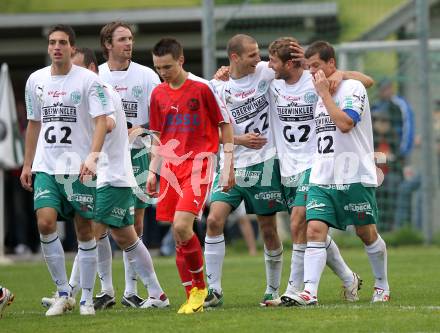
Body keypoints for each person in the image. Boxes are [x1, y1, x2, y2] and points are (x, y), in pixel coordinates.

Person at [41, 47, 169, 311]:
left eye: (76, 69)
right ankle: (155, 293)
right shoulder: (92, 93)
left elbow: (107, 123)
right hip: (109, 176)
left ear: (89, 69)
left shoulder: (101, 94)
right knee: (124, 237)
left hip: (113, 176)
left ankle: (68, 293)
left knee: (94, 232)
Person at [264, 37, 375, 306]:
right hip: (287, 164)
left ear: (290, 62)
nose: (269, 65)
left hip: (316, 162)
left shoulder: (316, 81)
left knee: (299, 222)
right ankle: (349, 278)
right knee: (313, 229)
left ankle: (295, 289)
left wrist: (338, 74)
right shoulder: (271, 83)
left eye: (274, 60)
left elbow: (366, 81)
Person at [290, 41, 390, 306]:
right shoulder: (316, 89)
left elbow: (345, 124)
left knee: (365, 232)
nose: (312, 73)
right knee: (314, 229)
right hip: (323, 175)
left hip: (354, 173)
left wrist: (328, 90)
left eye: (317, 66)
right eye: (308, 67)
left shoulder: (351, 88)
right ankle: (309, 292)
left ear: (332, 64)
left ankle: (381, 283)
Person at [21, 24, 110, 316]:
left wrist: (93, 157)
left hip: (78, 167)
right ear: (48, 47)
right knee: (45, 222)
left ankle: (85, 297)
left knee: (84, 230)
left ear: (72, 47)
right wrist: (27, 164)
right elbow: (34, 124)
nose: (57, 47)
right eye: (52, 42)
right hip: (47, 166)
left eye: (62, 42)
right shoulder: (35, 80)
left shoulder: (88, 80)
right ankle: (62, 293)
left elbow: (101, 121)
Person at [147, 37, 235, 314]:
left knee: (183, 226)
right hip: (171, 169)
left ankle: (199, 288)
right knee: (177, 233)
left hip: (199, 165)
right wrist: (153, 171)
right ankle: (191, 295)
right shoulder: (158, 94)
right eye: (159, 68)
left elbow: (225, 126)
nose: (163, 73)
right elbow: (159, 137)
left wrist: (229, 165)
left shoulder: (203, 88)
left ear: (181, 60)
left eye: (168, 67)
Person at [204, 34, 286, 309]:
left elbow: (295, 71)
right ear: (235, 57)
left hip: (265, 161)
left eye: (259, 52)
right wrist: (240, 140)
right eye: (252, 54)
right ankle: (213, 289)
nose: (258, 57)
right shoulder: (216, 86)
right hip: (232, 164)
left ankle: (272, 289)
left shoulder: (265, 72)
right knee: (214, 219)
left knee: (268, 228)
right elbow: (209, 133)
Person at [97, 21, 161, 308]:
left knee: (134, 223)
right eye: (122, 39)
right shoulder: (95, 74)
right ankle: (105, 288)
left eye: (131, 39)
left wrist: (142, 130)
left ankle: (131, 289)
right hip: (104, 158)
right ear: (108, 44)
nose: (128, 44)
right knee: (97, 223)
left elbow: (160, 121)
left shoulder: (146, 76)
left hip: (136, 157)